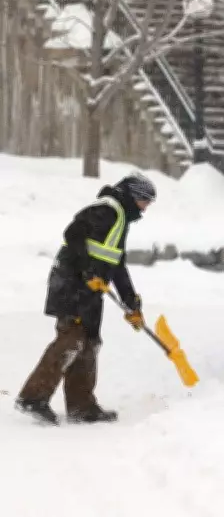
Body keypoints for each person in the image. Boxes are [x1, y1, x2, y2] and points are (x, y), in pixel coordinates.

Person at [15, 172, 157, 426]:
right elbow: (73, 233)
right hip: (72, 283)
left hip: (90, 288)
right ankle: (33, 398)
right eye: (145, 201)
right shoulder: (107, 209)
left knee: (90, 342)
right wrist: (87, 270)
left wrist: (131, 302)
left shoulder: (120, 219)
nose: (145, 208)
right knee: (71, 338)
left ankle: (82, 407)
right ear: (133, 196)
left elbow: (116, 264)